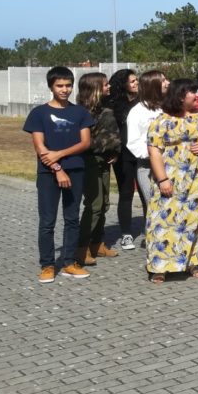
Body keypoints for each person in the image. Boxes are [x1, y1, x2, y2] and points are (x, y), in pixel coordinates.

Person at [24, 67, 95, 282]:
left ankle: (69, 262)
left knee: (72, 218)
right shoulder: (39, 113)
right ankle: (47, 265)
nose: (65, 90)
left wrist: (60, 154)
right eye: (59, 85)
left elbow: (85, 142)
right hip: (48, 174)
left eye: (68, 85)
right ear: (51, 87)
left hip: (76, 171)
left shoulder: (81, 113)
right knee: (47, 221)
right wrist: (57, 169)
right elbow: (39, 147)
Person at [144, 78, 198, 283]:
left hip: (196, 178)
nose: (197, 96)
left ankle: (193, 262)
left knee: (195, 219)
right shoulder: (160, 121)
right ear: (181, 95)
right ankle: (160, 266)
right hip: (170, 176)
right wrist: (162, 179)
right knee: (163, 219)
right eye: (193, 93)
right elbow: (154, 152)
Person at [76, 72, 121, 266]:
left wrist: (115, 150)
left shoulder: (105, 108)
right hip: (89, 161)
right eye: (105, 85)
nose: (109, 87)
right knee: (93, 205)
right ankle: (81, 248)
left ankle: (97, 243)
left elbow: (111, 135)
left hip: (104, 160)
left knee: (104, 204)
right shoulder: (81, 113)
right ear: (94, 88)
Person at [125, 70, 167, 218]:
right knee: (155, 211)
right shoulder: (137, 112)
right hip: (148, 167)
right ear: (153, 85)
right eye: (162, 81)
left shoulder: (169, 107)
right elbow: (133, 143)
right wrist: (155, 155)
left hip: (172, 165)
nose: (167, 83)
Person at [106, 68, 140, 250]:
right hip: (123, 154)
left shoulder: (143, 102)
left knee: (146, 193)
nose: (136, 84)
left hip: (143, 153)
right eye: (133, 81)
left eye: (137, 81)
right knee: (126, 192)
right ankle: (126, 233)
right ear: (123, 84)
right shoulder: (113, 104)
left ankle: (151, 230)